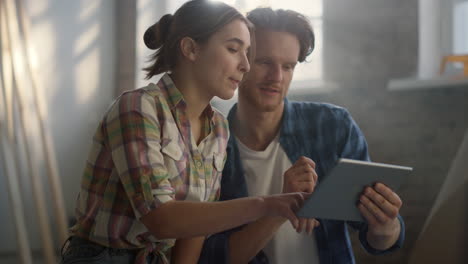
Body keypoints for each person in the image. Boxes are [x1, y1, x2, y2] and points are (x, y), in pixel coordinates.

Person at [60, 1, 309, 264]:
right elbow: (161, 219)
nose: (245, 65)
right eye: (234, 49)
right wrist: (266, 204)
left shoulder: (219, 129)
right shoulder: (137, 108)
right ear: (190, 48)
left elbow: (194, 229)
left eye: (247, 52)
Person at [199, 7, 405, 264]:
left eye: (288, 66)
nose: (277, 77)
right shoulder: (208, 145)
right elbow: (210, 258)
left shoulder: (333, 126)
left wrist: (386, 227)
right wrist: (279, 208)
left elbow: (376, 238)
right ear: (240, 62)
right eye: (265, 62)